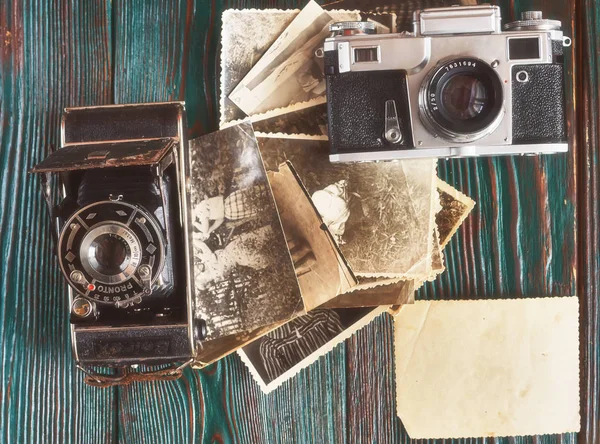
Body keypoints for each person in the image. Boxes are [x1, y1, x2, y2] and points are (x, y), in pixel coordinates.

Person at [193, 224, 275, 291]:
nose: (200, 272)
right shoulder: (211, 265)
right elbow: (203, 246)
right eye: (200, 276)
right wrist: (192, 239)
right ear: (205, 280)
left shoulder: (218, 277)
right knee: (263, 237)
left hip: (241, 260)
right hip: (236, 249)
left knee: (269, 251)